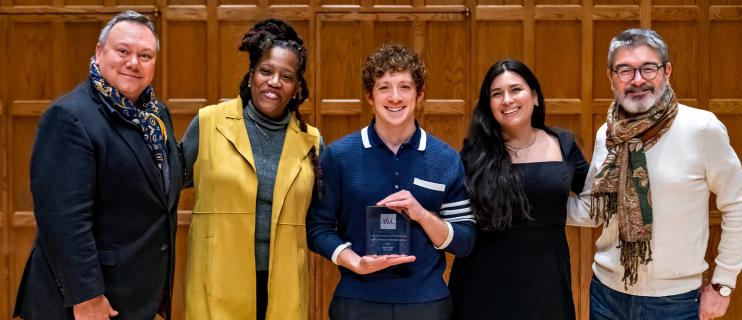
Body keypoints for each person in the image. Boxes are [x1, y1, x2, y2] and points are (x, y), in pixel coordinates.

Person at [568, 28, 742, 320]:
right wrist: (531, 204)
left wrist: (723, 284)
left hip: (675, 302)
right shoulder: (608, 134)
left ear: (666, 71)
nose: (637, 79)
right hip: (606, 294)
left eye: (648, 68)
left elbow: (738, 206)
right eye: (625, 69)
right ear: (611, 77)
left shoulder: (702, 128)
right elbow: (596, 210)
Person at [13, 10, 183, 320]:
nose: (134, 62)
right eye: (123, 51)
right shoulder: (70, 117)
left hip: (134, 296)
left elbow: (159, 186)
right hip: (83, 304)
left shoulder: (155, 115)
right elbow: (63, 220)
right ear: (99, 52)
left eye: (145, 55)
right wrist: (86, 296)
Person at [307, 43, 476, 320]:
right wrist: (356, 262)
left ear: (420, 94)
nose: (394, 97)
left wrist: (422, 214)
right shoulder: (338, 156)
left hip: (428, 304)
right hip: (357, 302)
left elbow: (465, 240)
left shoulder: (445, 159)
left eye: (405, 87)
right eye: (384, 87)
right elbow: (317, 228)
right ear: (369, 96)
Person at [182, 18, 321, 320]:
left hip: (282, 286)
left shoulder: (311, 141)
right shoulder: (209, 123)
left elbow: (321, 217)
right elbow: (160, 194)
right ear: (251, 74)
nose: (274, 82)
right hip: (217, 284)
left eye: (287, 76)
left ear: (297, 86)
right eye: (266, 71)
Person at [448, 59, 588, 319]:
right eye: (497, 94)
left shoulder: (564, 144)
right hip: (482, 282)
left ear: (534, 96)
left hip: (547, 280)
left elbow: (595, 200)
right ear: (489, 105)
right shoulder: (474, 153)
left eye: (516, 89)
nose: (507, 100)